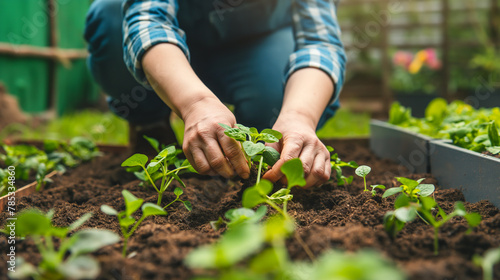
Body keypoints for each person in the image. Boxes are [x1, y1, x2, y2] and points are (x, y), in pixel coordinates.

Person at [84, 0, 346, 188]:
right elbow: (147, 20)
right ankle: (149, 123)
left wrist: (299, 116)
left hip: (258, 46)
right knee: (110, 14)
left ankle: (254, 158)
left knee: (274, 107)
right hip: (175, 49)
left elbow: (320, 42)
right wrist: (195, 103)